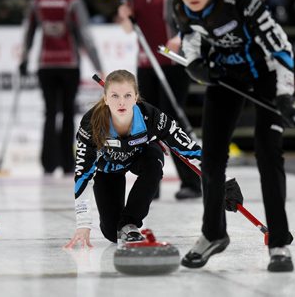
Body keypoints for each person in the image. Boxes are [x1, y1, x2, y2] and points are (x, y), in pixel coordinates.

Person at [173, 0, 295, 272]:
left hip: (264, 74)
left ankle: (278, 242)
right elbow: (189, 38)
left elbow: (281, 47)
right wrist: (194, 64)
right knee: (211, 158)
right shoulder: (181, 6)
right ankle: (213, 233)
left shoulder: (245, 2)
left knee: (268, 152)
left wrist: (285, 93)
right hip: (225, 76)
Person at [64, 69, 242, 248]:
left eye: (127, 95)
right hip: (109, 169)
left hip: (140, 157)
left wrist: (222, 181)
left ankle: (130, 223)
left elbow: (189, 149)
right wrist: (83, 223)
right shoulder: (91, 125)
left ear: (136, 97)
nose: (121, 102)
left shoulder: (153, 117)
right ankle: (120, 225)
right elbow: (82, 175)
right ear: (105, 98)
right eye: (115, 96)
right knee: (112, 233)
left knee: (154, 160)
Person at [117, 0, 202, 199]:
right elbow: (128, 30)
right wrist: (124, 17)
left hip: (172, 62)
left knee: (171, 121)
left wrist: (180, 38)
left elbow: (193, 18)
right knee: (145, 123)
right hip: (146, 63)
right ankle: (150, 181)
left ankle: (192, 181)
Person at [19, 0, 103, 176]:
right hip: (69, 64)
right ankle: (67, 162)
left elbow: (28, 33)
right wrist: (99, 66)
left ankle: (48, 163)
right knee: (67, 112)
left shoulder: (36, 2)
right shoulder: (73, 2)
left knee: (49, 112)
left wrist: (24, 59)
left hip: (45, 64)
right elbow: (85, 36)